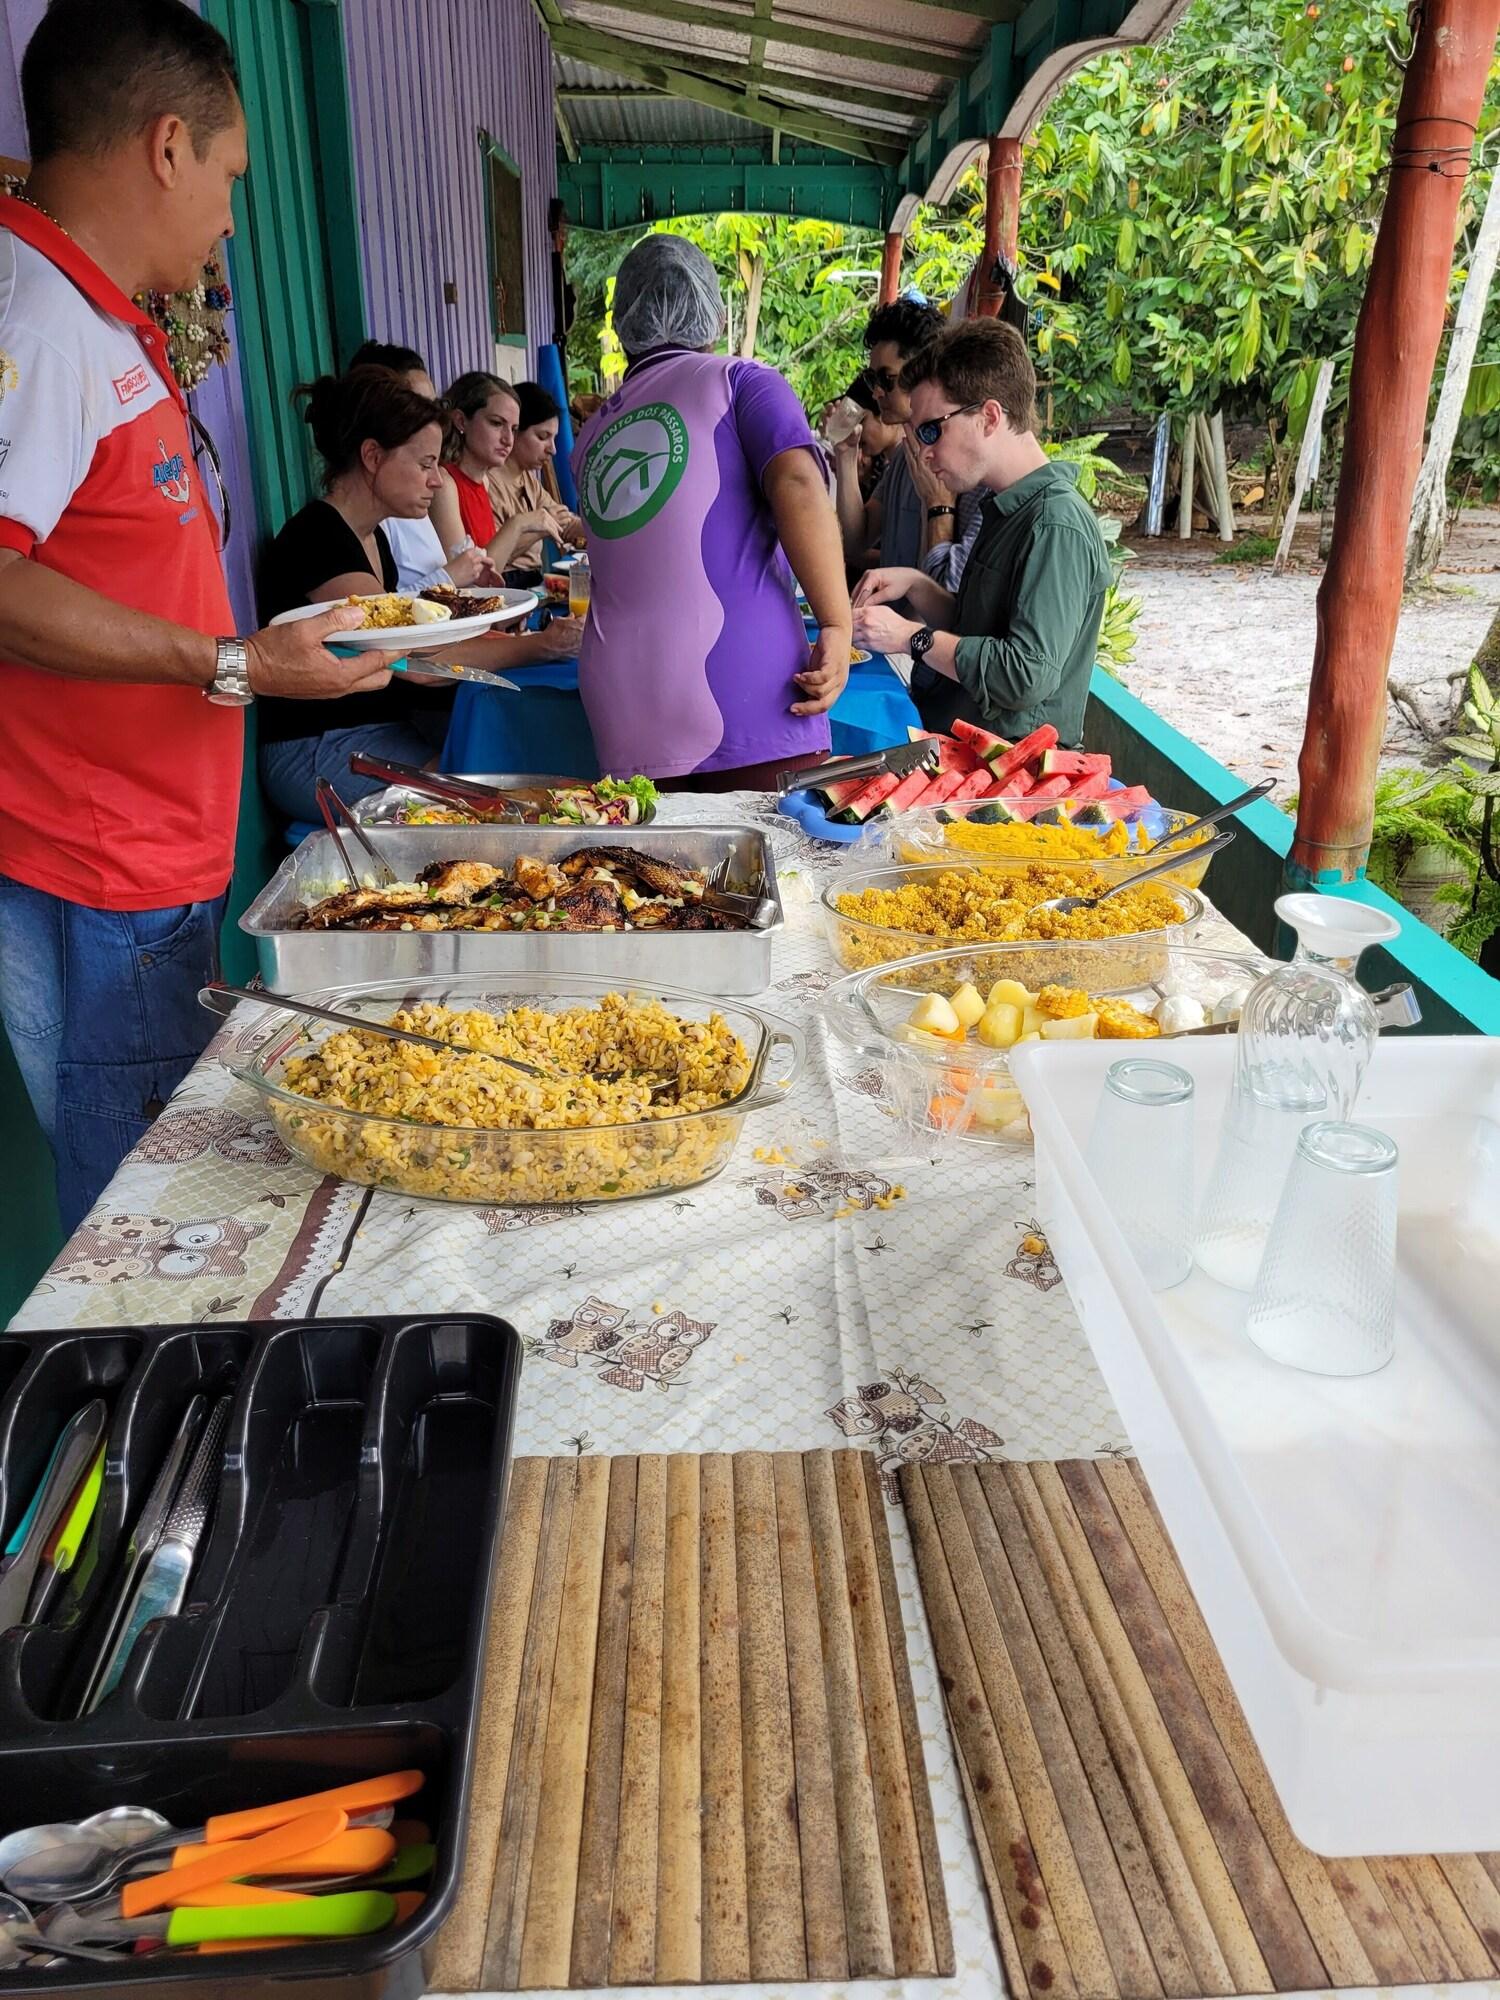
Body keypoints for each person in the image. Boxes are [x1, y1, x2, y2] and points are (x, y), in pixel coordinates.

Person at [0, 0, 397, 1233]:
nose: (232, 213)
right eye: (229, 174)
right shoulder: (37, 317)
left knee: (150, 1183)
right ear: (167, 146)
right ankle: (125, 1426)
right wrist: (235, 659)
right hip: (95, 851)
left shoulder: (98, 313)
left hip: (148, 839)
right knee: (137, 1220)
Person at [571, 233, 850, 788]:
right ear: (715, 315)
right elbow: (796, 480)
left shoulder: (594, 434)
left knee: (652, 874)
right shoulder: (741, 382)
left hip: (620, 712)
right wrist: (838, 624)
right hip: (743, 697)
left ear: (625, 326)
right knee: (774, 868)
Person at [851, 318, 1110, 749]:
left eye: (932, 430)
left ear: (989, 416)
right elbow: (977, 628)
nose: (924, 450)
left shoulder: (1054, 524)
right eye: (917, 435)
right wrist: (917, 585)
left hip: (1010, 772)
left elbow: (1024, 675)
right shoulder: (1004, 506)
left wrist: (910, 638)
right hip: (957, 748)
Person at [257, 366, 457, 821]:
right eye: (426, 464)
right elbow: (413, 659)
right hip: (315, 748)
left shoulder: (373, 537)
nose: (437, 481)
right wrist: (536, 646)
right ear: (372, 456)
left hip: (375, 730)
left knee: (481, 762)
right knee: (466, 795)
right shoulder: (316, 537)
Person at [346, 339, 494, 595]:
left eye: (434, 406)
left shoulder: (409, 505)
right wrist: (449, 577)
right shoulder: (354, 525)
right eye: (418, 406)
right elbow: (383, 621)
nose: (437, 480)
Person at [832, 298, 945, 574]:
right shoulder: (903, 462)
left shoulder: (955, 466)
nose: (876, 392)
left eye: (887, 379)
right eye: (874, 380)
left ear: (926, 373)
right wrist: (846, 454)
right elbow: (856, 541)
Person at [431, 372, 557, 579]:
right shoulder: (445, 484)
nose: (508, 439)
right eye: (497, 423)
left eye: (514, 429)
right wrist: (519, 523)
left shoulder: (484, 481)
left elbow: (490, 572)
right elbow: (470, 579)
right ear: (461, 421)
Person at [485, 381, 585, 574]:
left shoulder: (528, 480)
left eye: (554, 439)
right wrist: (539, 528)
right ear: (515, 432)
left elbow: (563, 520)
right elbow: (489, 560)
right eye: (542, 437)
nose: (553, 449)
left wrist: (600, 529)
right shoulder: (489, 484)